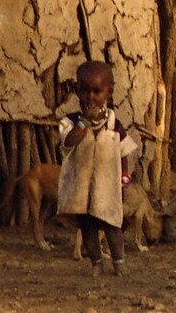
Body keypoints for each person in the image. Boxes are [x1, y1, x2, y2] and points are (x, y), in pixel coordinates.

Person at [56, 60, 141, 275]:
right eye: (84, 91)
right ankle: (96, 263)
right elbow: (69, 142)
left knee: (112, 224)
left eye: (97, 91)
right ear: (77, 91)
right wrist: (84, 122)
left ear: (108, 92)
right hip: (82, 189)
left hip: (107, 186)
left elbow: (123, 152)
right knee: (88, 227)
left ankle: (119, 263)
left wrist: (124, 178)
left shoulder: (113, 124)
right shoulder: (71, 122)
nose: (90, 97)